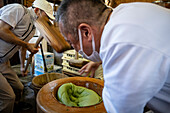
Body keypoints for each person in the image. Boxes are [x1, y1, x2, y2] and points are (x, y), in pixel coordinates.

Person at [56, 0, 170, 113]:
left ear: (86, 32)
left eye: (71, 42)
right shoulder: (126, 12)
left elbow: (121, 110)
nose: (74, 48)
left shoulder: (121, 45)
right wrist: (100, 60)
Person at [0, 0, 55, 112]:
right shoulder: (18, 10)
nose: (46, 20)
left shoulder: (32, 28)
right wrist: (27, 44)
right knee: (8, 97)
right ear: (36, 10)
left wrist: (22, 66)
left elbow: (22, 48)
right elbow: (2, 30)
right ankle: (7, 106)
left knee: (19, 87)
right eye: (45, 16)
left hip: (3, 62)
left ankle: (15, 106)